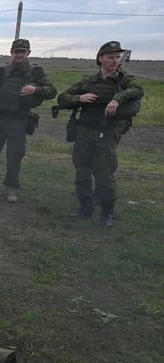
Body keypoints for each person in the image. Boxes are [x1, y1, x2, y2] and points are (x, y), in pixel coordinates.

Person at [57, 41, 143, 227]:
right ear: (100, 58)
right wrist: (79, 98)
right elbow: (62, 97)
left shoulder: (123, 80)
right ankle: (85, 208)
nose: (115, 61)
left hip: (108, 132)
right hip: (85, 131)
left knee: (104, 174)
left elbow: (137, 90)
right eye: (111, 57)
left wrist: (117, 99)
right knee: (82, 171)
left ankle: (107, 213)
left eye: (118, 57)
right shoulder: (89, 81)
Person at [0, 39, 56, 203]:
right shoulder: (2, 71)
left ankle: (11, 188)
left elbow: (52, 91)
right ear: (11, 53)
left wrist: (35, 89)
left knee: (15, 155)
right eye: (16, 51)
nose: (19, 54)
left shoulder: (36, 72)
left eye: (23, 51)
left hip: (19, 120)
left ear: (28, 53)